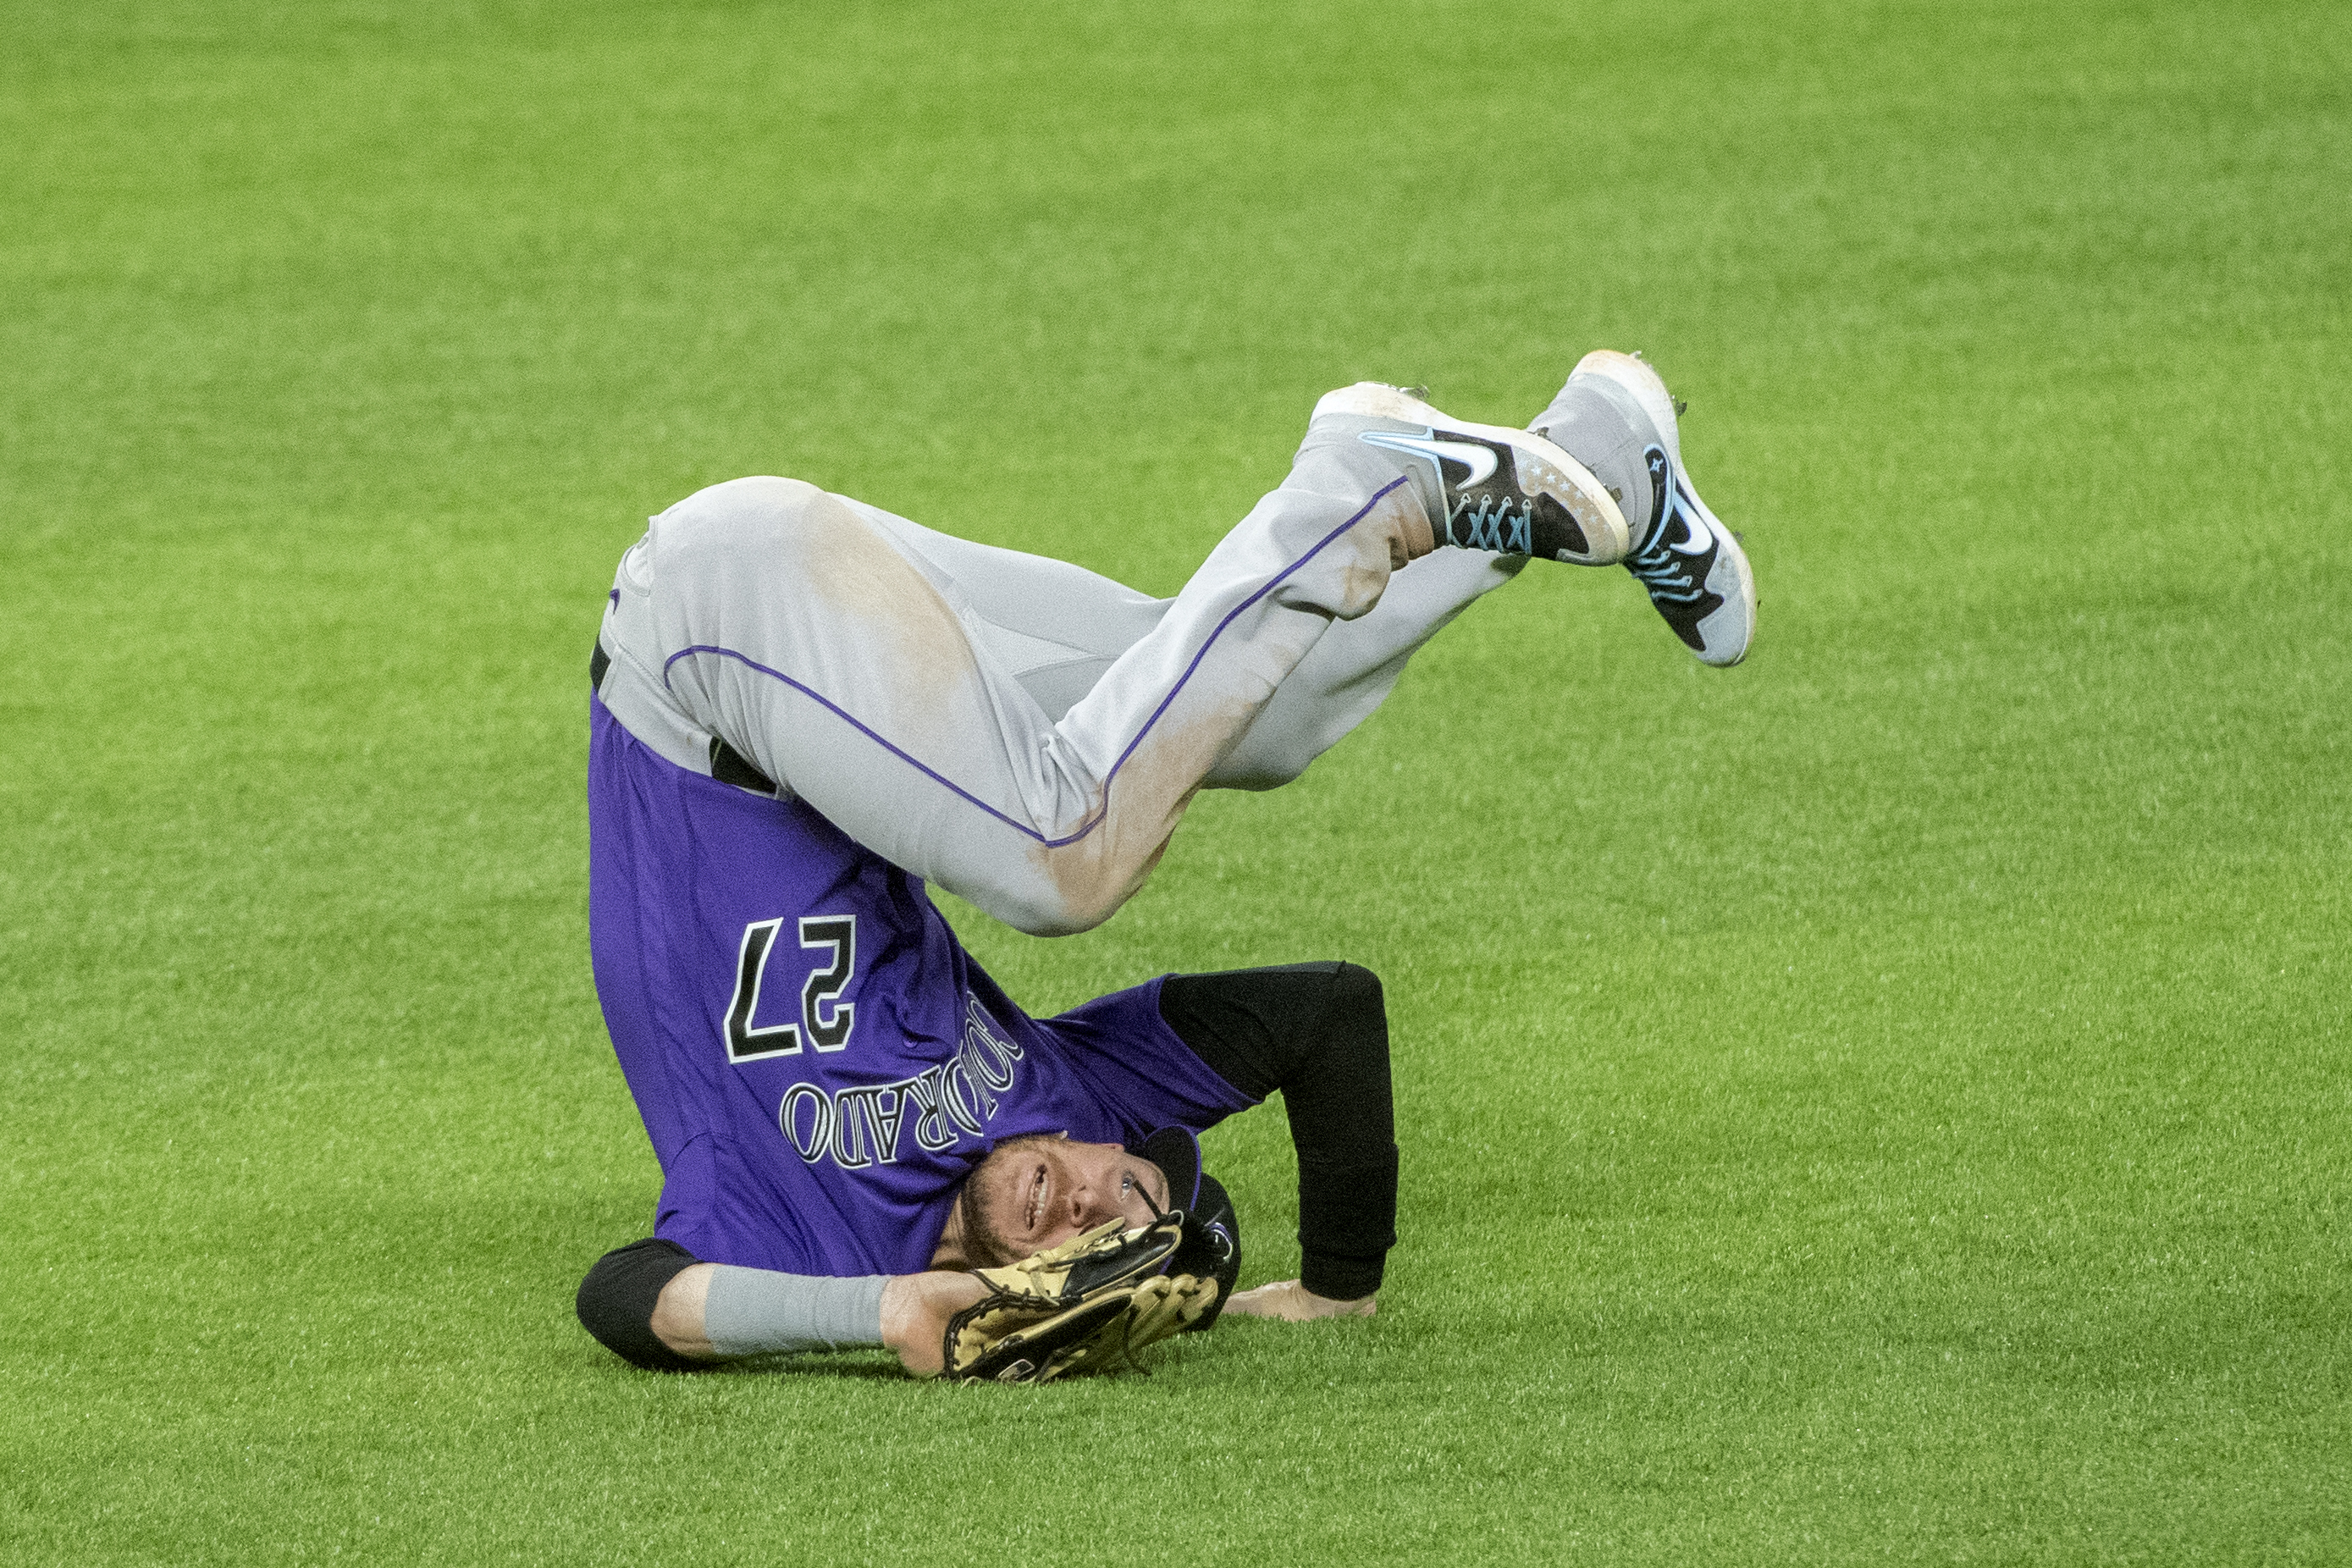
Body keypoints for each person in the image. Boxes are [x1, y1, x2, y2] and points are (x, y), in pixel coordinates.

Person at [572, 352, 1754, 1377]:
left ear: (1037, 1301)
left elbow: (625, 1297)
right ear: (1123, 1145)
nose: (1086, 1200)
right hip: (763, 626)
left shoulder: (797, 1232)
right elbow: (1327, 1015)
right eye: (1124, 1196)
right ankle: (1364, 482)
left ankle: (1583, 451)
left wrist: (883, 1314)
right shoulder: (1084, 1102)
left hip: (712, 657)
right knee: (1067, 853)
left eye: (1094, 1243)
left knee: (1248, 731)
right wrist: (1339, 1287)